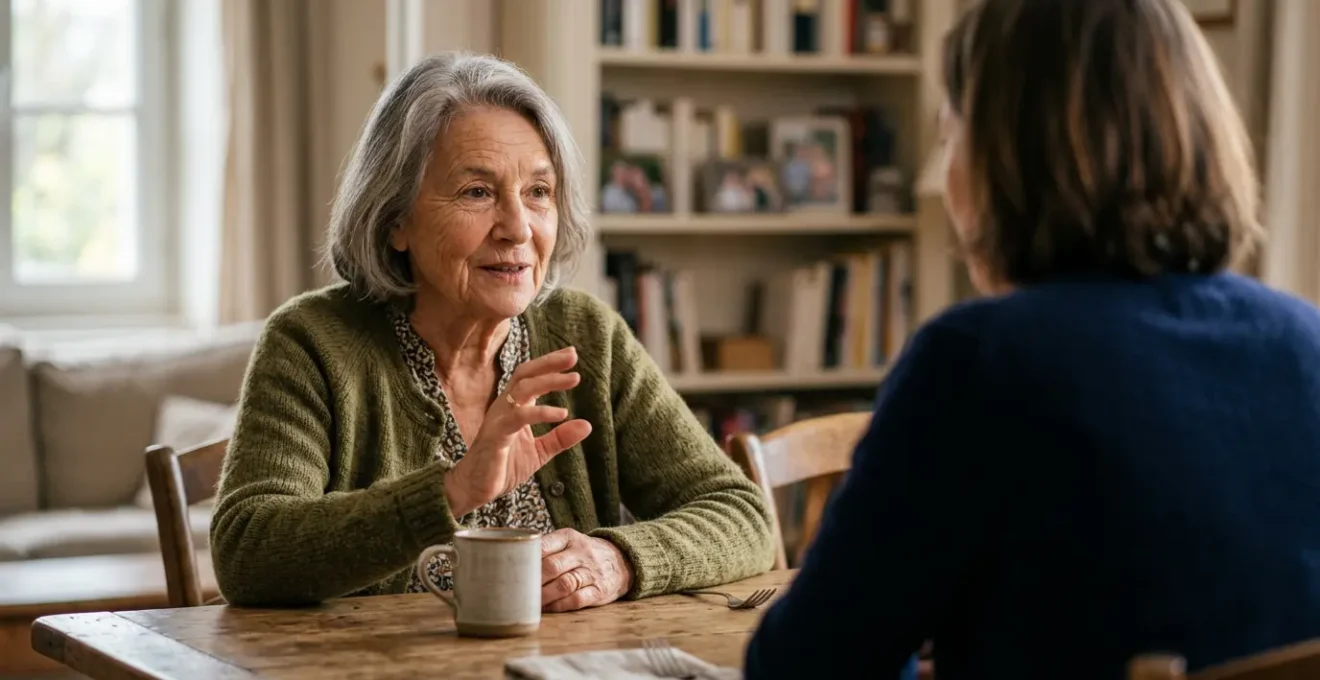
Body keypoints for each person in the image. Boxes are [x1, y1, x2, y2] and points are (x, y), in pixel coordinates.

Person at [745, 0, 1320, 678]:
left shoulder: (979, 360)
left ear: (998, 157)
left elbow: (806, 665)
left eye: (950, 131)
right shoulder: (1304, 339)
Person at [209, 52, 775, 610]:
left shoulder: (587, 335)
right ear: (395, 219)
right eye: (477, 192)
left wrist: (617, 560)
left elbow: (742, 516)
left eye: (538, 193)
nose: (517, 228)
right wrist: (450, 491)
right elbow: (248, 552)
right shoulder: (312, 342)